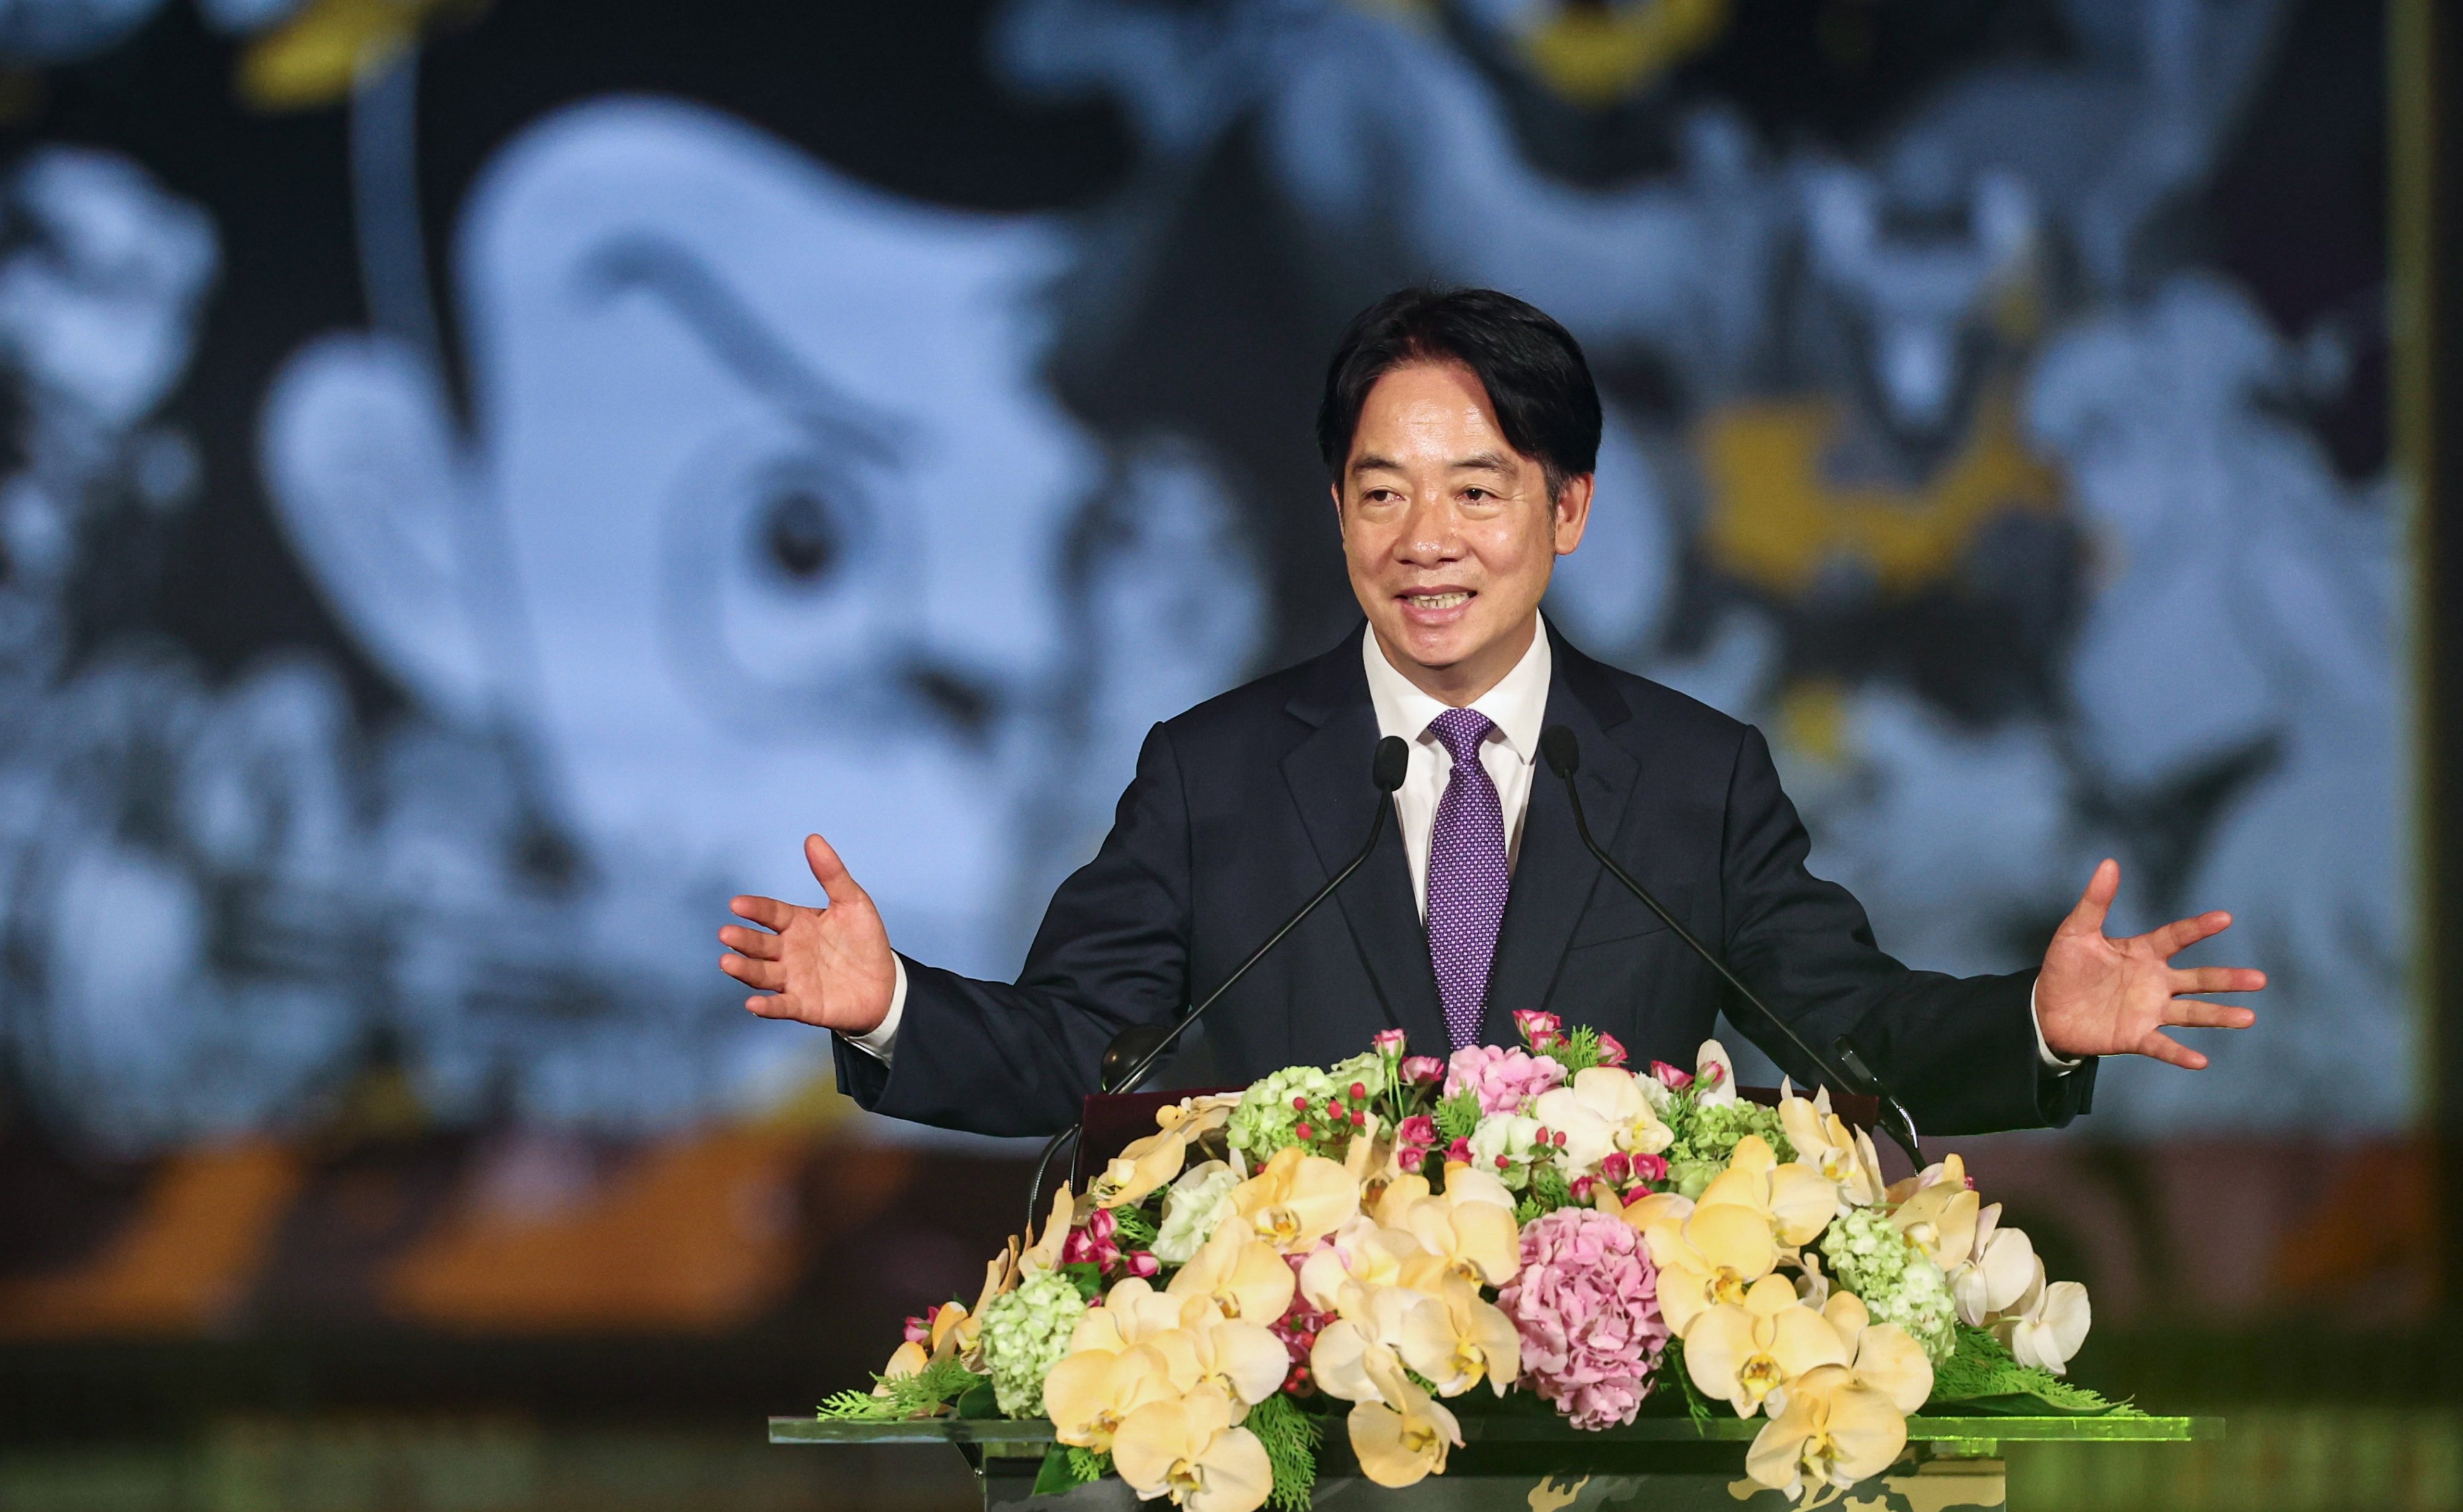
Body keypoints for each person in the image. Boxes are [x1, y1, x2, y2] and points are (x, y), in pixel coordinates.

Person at [715, 286, 2264, 1138]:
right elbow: (1073, 1048)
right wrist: (894, 1003)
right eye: (1381, 493)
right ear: (1335, 514)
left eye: (1475, 491)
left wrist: (2033, 1026)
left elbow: (1845, 1029)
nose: (1425, 539)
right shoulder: (1214, 777)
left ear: (1566, 508)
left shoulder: (1685, 778)